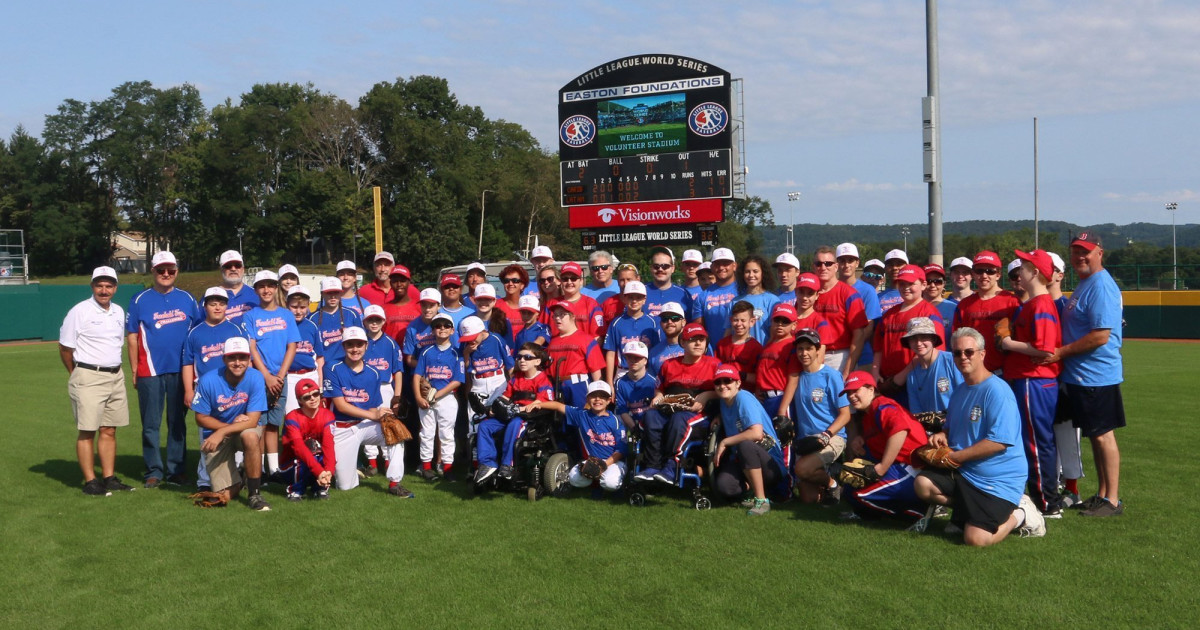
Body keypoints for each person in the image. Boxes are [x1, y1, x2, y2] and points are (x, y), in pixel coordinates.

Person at [913, 327, 1045, 545]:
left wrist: (957, 457)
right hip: (967, 472)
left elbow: (999, 442)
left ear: (982, 354)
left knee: (976, 540)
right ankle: (965, 513)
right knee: (923, 484)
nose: (963, 357)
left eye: (969, 352)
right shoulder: (960, 391)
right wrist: (943, 435)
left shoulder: (997, 391)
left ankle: (1022, 513)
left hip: (997, 479)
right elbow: (953, 428)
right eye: (957, 353)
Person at [1041, 231, 1126, 517]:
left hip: (1096, 375)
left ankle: (1112, 500)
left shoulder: (1100, 285)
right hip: (1082, 376)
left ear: (1100, 252)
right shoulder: (1087, 283)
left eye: (1085, 251)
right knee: (1095, 436)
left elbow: (1101, 335)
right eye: (1076, 251)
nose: (1080, 256)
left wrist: (1062, 352)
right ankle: (1102, 494)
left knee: (1103, 436)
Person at [998, 249, 1063, 516]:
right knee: (1032, 441)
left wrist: (1007, 343)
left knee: (1036, 442)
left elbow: (1046, 349)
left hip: (1034, 381)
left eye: (1024, 267)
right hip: (1029, 380)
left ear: (1035, 272)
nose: (1019, 272)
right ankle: (1043, 497)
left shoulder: (1041, 304)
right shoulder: (1032, 304)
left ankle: (1047, 502)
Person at [125, 251, 198, 488]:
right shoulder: (139, 300)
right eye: (161, 270)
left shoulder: (188, 299)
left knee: (177, 422)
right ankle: (153, 471)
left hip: (181, 370)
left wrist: (195, 372)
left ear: (177, 271)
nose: (166, 274)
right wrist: (135, 369)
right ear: (153, 271)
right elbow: (133, 337)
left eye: (171, 270)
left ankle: (176, 470)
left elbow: (197, 335)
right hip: (150, 371)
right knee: (151, 424)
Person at [61, 266, 133, 496]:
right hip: (88, 375)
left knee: (109, 429)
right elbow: (65, 348)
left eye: (109, 286)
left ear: (115, 288)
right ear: (92, 286)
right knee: (87, 430)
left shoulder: (118, 311)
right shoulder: (79, 311)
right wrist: (76, 373)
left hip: (115, 375)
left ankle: (109, 477)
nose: (104, 290)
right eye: (100, 285)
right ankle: (90, 481)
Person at [324, 326, 412, 497]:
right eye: (350, 345)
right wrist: (373, 415)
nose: (355, 349)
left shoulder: (373, 373)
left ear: (366, 346)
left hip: (365, 425)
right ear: (343, 347)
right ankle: (347, 473)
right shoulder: (332, 367)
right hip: (342, 428)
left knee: (396, 432)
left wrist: (382, 416)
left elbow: (372, 406)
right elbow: (340, 406)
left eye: (359, 344)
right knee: (345, 486)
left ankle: (394, 482)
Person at [181, 287, 250, 491]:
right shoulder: (195, 332)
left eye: (221, 302)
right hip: (207, 392)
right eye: (212, 303)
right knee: (208, 435)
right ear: (205, 306)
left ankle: (236, 476)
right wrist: (188, 390)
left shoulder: (236, 330)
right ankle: (204, 481)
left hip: (235, 390)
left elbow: (247, 361)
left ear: (227, 306)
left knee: (236, 431)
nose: (217, 307)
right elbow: (187, 363)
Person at [191, 337, 271, 511]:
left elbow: (253, 420)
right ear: (224, 359)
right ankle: (241, 479)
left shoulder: (256, 377)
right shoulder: (208, 380)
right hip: (221, 432)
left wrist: (221, 431)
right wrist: (224, 430)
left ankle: (254, 494)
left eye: (242, 357)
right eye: (232, 357)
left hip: (241, 429)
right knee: (222, 496)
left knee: (250, 436)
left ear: (249, 359)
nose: (237, 362)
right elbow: (200, 418)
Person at [839, 371, 930, 522]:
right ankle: (868, 515)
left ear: (871, 389)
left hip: (911, 467)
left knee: (861, 495)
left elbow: (899, 430)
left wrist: (882, 467)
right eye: (848, 393)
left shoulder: (883, 405)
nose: (851, 396)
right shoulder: (869, 412)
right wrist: (861, 440)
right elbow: (880, 435)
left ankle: (919, 511)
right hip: (899, 466)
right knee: (849, 489)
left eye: (856, 390)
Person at [640, 322, 721, 485]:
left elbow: (727, 391)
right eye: (693, 340)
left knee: (680, 420)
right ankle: (652, 466)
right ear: (682, 343)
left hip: (700, 415)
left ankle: (672, 465)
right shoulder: (669, 365)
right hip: (671, 408)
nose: (698, 343)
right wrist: (658, 397)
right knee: (650, 416)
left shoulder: (715, 365)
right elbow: (659, 389)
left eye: (702, 339)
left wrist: (708, 394)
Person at [780, 327, 851, 505]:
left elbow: (845, 414)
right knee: (809, 499)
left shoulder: (831, 376)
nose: (804, 353)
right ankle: (829, 476)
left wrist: (827, 434)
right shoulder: (797, 377)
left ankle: (833, 484)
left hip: (831, 437)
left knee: (802, 469)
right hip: (806, 442)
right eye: (800, 348)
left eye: (809, 348)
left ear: (818, 350)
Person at [242, 270, 300, 478]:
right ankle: (259, 469)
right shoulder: (250, 316)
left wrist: (280, 376)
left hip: (280, 377)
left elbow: (292, 346)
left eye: (270, 286)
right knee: (259, 424)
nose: (266, 290)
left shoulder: (286, 315)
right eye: (261, 286)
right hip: (259, 378)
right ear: (256, 289)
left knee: (274, 424)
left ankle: (273, 469)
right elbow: (252, 348)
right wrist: (266, 376)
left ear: (276, 288)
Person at [524, 381, 627, 494]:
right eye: (593, 396)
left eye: (602, 396)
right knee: (573, 478)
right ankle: (595, 482)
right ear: (587, 399)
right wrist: (539, 404)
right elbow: (558, 406)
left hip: (612, 462)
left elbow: (621, 450)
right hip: (591, 461)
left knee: (610, 483)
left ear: (608, 400)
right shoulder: (582, 415)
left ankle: (615, 480)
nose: (597, 399)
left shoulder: (615, 421)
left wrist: (603, 465)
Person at [711, 364, 787, 516]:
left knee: (745, 445)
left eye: (727, 381)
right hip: (743, 461)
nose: (722, 386)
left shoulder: (743, 397)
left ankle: (761, 501)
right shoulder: (724, 402)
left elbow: (756, 434)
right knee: (725, 487)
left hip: (771, 464)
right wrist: (718, 417)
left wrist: (725, 442)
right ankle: (751, 489)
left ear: (738, 383)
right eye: (718, 382)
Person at [482, 342, 556, 482]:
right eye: (519, 357)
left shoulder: (542, 379)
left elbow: (543, 401)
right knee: (485, 426)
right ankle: (487, 464)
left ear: (537, 361)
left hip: (529, 419)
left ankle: (507, 465)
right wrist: (495, 407)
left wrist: (525, 407)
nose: (522, 360)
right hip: (510, 414)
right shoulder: (516, 378)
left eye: (527, 357)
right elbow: (506, 396)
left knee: (515, 424)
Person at [1045, 250, 1084, 507]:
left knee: (1068, 436)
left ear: (1060, 274)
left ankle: (1072, 488)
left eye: (1050, 268)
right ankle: (1050, 483)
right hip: (1040, 381)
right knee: (1043, 436)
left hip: (1066, 379)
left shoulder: (1068, 306)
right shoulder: (1031, 304)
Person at [871, 265, 945, 390]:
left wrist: (901, 377)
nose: (906, 288)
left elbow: (933, 351)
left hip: (916, 381)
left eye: (911, 284)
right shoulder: (889, 314)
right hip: (887, 380)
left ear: (923, 285)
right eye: (902, 284)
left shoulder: (929, 313)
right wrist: (875, 372)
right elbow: (878, 348)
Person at [413, 313, 465, 482]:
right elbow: (416, 376)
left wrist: (437, 394)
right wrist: (418, 398)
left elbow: (458, 380)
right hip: (427, 398)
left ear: (452, 330)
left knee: (446, 434)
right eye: (437, 326)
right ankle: (426, 467)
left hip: (447, 397)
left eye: (446, 326)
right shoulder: (426, 351)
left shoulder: (457, 353)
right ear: (433, 330)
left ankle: (447, 468)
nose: (442, 328)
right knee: (426, 433)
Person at [951, 251, 1020, 374]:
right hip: (973, 371)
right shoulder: (964, 305)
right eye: (979, 271)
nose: (984, 275)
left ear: (998, 274)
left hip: (1006, 371)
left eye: (990, 271)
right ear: (973, 274)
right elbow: (956, 340)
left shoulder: (1012, 302)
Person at [361, 305, 405, 477]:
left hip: (385, 387)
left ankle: (387, 461)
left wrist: (397, 395)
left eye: (377, 319)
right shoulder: (360, 341)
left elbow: (398, 371)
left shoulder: (390, 343)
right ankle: (372, 463)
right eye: (370, 319)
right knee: (367, 422)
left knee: (387, 423)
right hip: (365, 388)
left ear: (383, 321)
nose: (374, 323)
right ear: (364, 321)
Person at [812, 246, 869, 378]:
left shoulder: (849, 294)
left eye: (828, 263)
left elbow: (859, 335)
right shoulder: (807, 294)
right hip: (810, 355)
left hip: (838, 356)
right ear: (813, 266)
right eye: (818, 263)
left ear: (836, 267)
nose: (823, 267)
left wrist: (847, 369)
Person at [278, 379, 336, 501]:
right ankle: (295, 490)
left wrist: (329, 471)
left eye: (315, 394)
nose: (313, 399)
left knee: (323, 456)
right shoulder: (292, 417)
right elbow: (299, 448)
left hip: (314, 460)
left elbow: (328, 445)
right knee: (306, 456)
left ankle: (320, 488)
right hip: (291, 463)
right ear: (299, 400)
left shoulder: (328, 415)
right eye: (307, 397)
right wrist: (319, 471)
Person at [894, 317, 961, 415]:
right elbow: (917, 413)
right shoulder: (912, 377)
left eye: (924, 337)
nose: (918, 343)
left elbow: (967, 395)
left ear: (933, 339)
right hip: (930, 428)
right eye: (913, 339)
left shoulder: (952, 361)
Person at [544, 299, 605, 406]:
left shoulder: (586, 339)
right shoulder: (552, 341)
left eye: (562, 315)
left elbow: (596, 370)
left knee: (581, 417)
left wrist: (597, 394)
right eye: (555, 315)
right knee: (560, 421)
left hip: (578, 385)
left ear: (572, 316)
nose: (557, 318)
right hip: (556, 386)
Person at [602, 280, 661, 387]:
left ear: (644, 300)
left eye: (638, 297)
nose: (634, 301)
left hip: (646, 371)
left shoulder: (652, 322)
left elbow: (656, 353)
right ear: (624, 298)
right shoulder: (616, 323)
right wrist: (609, 382)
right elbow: (611, 354)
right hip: (623, 372)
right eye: (630, 297)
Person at [836, 243, 882, 369]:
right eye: (842, 261)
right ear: (836, 264)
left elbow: (869, 326)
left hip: (863, 356)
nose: (846, 265)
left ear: (857, 263)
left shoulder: (867, 290)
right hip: (834, 354)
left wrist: (849, 345)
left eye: (850, 260)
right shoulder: (830, 289)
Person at [754, 303, 800, 416]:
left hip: (780, 398)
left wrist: (782, 409)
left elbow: (793, 381)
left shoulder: (792, 346)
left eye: (785, 321)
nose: (780, 324)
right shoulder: (768, 345)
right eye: (777, 320)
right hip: (763, 399)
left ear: (794, 325)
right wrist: (757, 389)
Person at [310, 276, 363, 371]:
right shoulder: (312, 318)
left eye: (336, 293)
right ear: (322, 293)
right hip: (323, 368)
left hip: (348, 367)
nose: (333, 296)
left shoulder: (352, 314)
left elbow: (361, 344)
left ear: (341, 293)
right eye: (329, 293)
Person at [284, 286, 323, 412]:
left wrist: (320, 383)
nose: (298, 311)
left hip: (310, 374)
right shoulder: (282, 326)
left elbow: (320, 358)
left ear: (308, 306)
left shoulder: (312, 326)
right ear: (287, 305)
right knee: (291, 413)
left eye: (302, 307)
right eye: (294, 307)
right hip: (290, 376)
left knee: (313, 413)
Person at [543, 262, 602, 338]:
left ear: (581, 281)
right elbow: (541, 332)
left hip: (583, 349)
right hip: (555, 348)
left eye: (573, 278)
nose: (569, 282)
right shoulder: (551, 304)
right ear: (561, 281)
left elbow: (598, 337)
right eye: (565, 279)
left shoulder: (592, 304)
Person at [692, 247, 739, 341]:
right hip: (714, 353)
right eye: (717, 264)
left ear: (734, 266)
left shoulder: (744, 290)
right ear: (712, 267)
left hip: (742, 351)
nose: (721, 267)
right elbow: (699, 330)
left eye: (726, 263)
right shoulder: (702, 297)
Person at [733, 254, 780, 344]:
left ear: (763, 273)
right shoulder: (735, 301)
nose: (751, 275)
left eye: (755, 271)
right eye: (747, 271)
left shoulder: (772, 301)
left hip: (763, 353)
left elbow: (775, 333)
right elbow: (729, 331)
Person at [715, 301, 762, 388]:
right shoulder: (721, 345)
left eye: (743, 320)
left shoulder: (756, 348)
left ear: (752, 322)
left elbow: (760, 377)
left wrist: (739, 375)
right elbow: (715, 371)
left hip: (747, 393)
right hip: (724, 393)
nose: (739, 324)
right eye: (736, 320)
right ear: (731, 320)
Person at [614, 341, 657, 433]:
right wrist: (634, 429)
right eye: (629, 357)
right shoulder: (620, 383)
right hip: (629, 422)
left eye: (637, 358)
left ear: (645, 360)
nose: (633, 360)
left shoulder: (654, 382)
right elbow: (622, 410)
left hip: (649, 423)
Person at [646, 246, 693, 320]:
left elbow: (690, 323)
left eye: (665, 266)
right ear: (651, 268)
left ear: (673, 268)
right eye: (656, 266)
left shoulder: (684, 294)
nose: (660, 269)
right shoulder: (641, 292)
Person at [403, 288, 445, 369]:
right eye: (424, 305)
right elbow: (410, 359)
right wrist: (429, 368)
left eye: (431, 305)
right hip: (420, 373)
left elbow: (454, 352)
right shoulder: (412, 327)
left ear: (439, 306)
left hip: (444, 371)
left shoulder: (446, 324)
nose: (427, 309)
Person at [381, 265, 421, 344]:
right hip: (391, 353)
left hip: (414, 354)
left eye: (402, 281)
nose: (399, 284)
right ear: (390, 283)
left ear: (409, 282)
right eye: (395, 281)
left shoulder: (419, 306)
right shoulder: (383, 309)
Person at [647, 302, 687, 377]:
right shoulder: (654, 352)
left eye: (675, 318)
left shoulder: (695, 346)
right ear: (661, 323)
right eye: (665, 319)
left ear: (683, 322)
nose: (669, 322)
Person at [218, 250, 257, 325]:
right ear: (221, 270)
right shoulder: (210, 297)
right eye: (228, 266)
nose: (233, 269)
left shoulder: (256, 294)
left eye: (237, 265)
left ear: (243, 269)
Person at [472, 284, 514, 349]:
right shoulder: (467, 321)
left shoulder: (503, 321)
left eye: (487, 299)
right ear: (475, 301)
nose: (483, 302)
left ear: (494, 301)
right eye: (480, 299)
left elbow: (508, 347)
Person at [495, 263, 530, 336]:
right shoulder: (496, 305)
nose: (510, 283)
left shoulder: (530, 306)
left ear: (522, 285)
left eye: (515, 280)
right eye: (506, 281)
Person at [877, 249, 908, 315]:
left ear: (907, 266)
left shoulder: (916, 294)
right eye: (890, 265)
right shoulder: (877, 297)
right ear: (885, 268)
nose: (894, 268)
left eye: (899, 264)